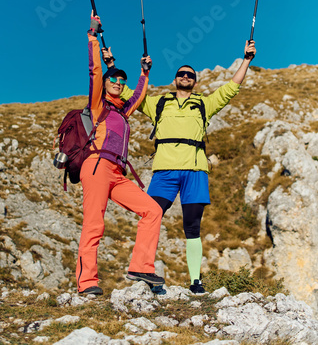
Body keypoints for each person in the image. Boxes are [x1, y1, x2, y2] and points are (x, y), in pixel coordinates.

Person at [102, 40, 256, 294]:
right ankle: (142, 269)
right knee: (150, 213)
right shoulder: (158, 104)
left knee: (192, 226)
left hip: (195, 171)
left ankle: (196, 281)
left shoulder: (204, 104)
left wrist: (246, 60)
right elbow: (128, 93)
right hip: (165, 171)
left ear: (195, 81)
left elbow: (232, 88)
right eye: (181, 74)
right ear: (175, 79)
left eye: (190, 75)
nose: (185, 76)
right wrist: (111, 65)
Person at [76, 14, 165, 296]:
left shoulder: (122, 111)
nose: (117, 81)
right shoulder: (99, 106)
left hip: (117, 173)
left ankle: (141, 267)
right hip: (97, 166)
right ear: (106, 83)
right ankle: (87, 283)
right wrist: (93, 35)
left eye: (121, 80)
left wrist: (144, 73)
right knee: (94, 224)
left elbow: (137, 96)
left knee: (152, 210)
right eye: (113, 78)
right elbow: (94, 71)